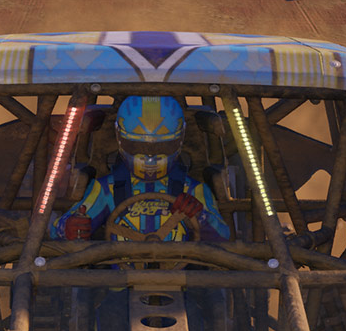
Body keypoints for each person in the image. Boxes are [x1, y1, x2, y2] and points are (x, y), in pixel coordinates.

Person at [53, 96, 231, 243]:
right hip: (120, 276)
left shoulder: (194, 190)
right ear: (121, 140)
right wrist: (70, 227)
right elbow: (57, 231)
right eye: (137, 146)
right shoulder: (106, 189)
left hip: (177, 274)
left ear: (179, 141)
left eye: (162, 147)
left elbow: (223, 237)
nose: (150, 157)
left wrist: (200, 216)